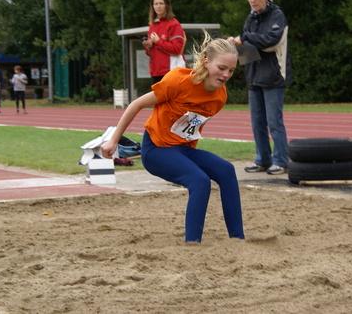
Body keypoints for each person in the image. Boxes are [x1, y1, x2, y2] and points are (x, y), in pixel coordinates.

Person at [100, 32, 244, 244]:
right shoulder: (178, 80)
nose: (225, 75)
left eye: (231, 70)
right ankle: (192, 243)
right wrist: (113, 140)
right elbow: (136, 104)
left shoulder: (220, 97)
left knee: (226, 170)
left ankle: (238, 239)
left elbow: (190, 126)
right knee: (200, 181)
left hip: (183, 150)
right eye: (221, 68)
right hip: (156, 150)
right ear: (206, 62)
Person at [227, 0, 292, 175]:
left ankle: (281, 160)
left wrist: (244, 39)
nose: (252, 1)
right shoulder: (251, 18)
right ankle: (262, 159)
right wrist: (237, 42)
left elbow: (272, 40)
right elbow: (248, 39)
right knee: (256, 122)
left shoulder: (277, 16)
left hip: (273, 75)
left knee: (274, 121)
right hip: (254, 75)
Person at [142, 0, 186, 85]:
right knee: (157, 100)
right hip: (155, 72)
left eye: (161, 3)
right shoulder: (152, 25)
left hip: (171, 72)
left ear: (167, 5)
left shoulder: (174, 24)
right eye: (156, 4)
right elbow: (150, 52)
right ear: (152, 6)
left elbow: (177, 49)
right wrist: (148, 47)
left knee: (171, 99)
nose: (158, 6)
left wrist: (158, 41)